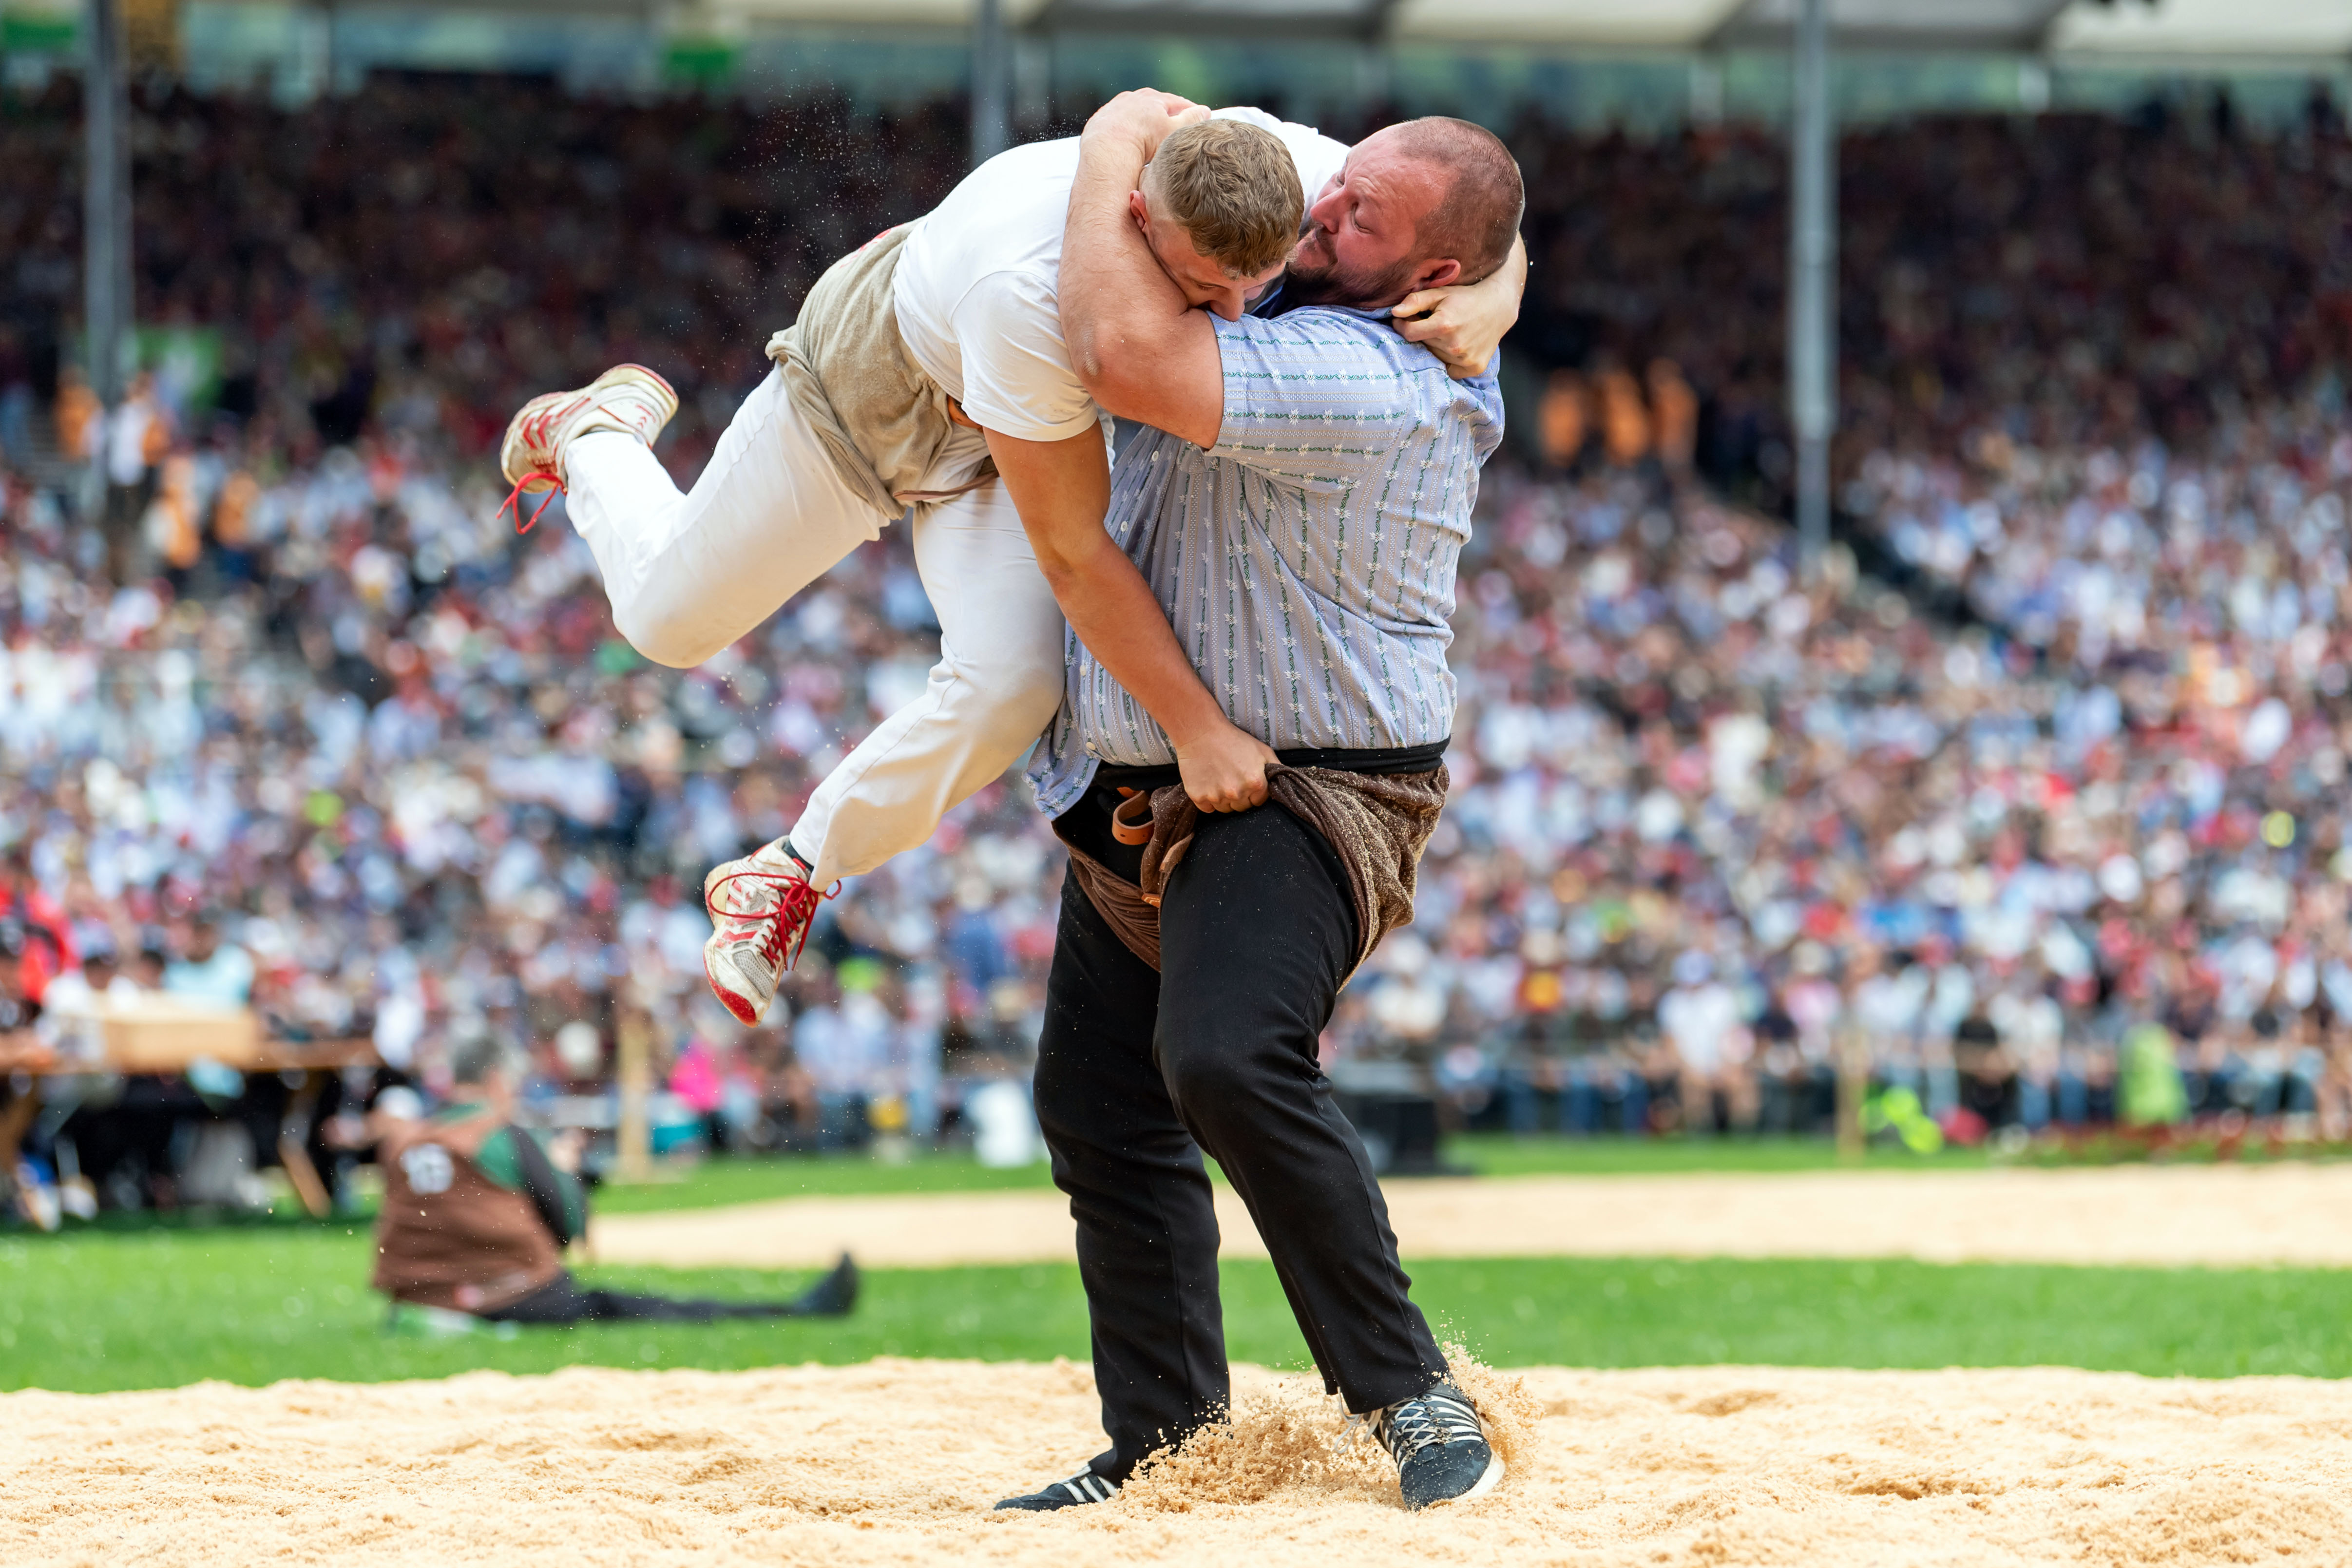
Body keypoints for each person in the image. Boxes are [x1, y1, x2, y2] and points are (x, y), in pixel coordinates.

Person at [495, 99, 1524, 1032]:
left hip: (1011, 423)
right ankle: (594, 434)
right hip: (883, 394)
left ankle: (795, 867)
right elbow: (1075, 554)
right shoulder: (1032, 299)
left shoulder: (1289, 173)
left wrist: (1495, 295)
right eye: (1200, 289)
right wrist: (1198, 731)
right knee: (667, 625)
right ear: (1136, 218)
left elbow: (1466, 210)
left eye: (1244, 289)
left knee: (1014, 687)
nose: (1224, 317)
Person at [993, 93, 1524, 1515]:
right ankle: (1170, 1443)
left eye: (1359, 213)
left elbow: (1119, 352)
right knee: (1098, 1103)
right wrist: (1506, 279)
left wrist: (1116, 140)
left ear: (1432, 279)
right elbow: (1454, 226)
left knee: (1225, 1056)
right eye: (1340, 182)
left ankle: (1409, 1392)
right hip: (1154, 776)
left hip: (1313, 784)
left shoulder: (1375, 375)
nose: (1320, 206)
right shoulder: (1332, 288)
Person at [371, 1030, 857, 1324]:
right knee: (623, 1306)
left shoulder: (411, 1141)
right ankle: (797, 1311)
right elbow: (570, 1226)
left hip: (422, 1297)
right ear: (496, 1078)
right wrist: (568, 1171)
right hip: (504, 1294)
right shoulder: (504, 1134)